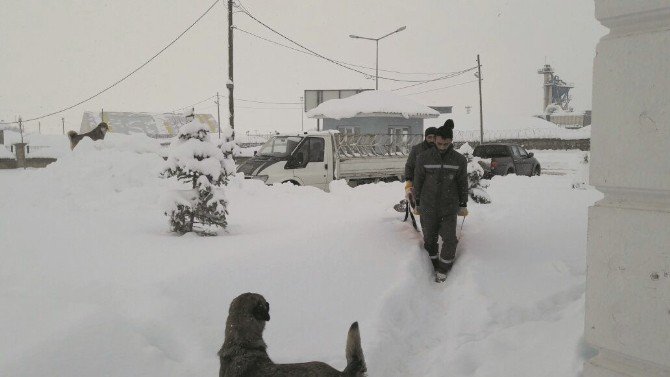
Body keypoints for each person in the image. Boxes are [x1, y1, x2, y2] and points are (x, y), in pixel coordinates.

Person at [413, 119, 469, 283]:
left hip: (449, 207)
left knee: (450, 240)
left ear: (451, 141)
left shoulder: (459, 160)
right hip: (428, 206)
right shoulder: (424, 157)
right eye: (439, 143)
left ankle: (443, 270)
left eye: (445, 144)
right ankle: (433, 264)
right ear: (435, 140)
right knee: (429, 240)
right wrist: (417, 202)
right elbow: (418, 180)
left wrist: (463, 203)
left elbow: (462, 182)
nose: (442, 147)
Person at [404, 127, 438, 208]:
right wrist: (409, 181)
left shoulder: (441, 149)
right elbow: (409, 165)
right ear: (425, 137)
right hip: (419, 181)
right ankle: (411, 202)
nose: (432, 140)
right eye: (429, 137)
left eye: (434, 137)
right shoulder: (417, 149)